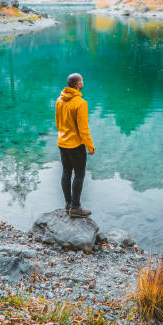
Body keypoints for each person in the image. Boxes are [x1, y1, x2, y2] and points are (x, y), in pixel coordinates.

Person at [55, 73, 95, 217]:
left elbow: (58, 122)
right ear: (78, 84)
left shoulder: (59, 99)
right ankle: (76, 208)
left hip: (62, 143)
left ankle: (68, 204)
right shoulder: (80, 103)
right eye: (82, 81)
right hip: (76, 146)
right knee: (79, 175)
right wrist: (90, 146)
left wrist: (62, 137)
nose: (83, 82)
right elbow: (83, 129)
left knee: (66, 173)